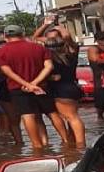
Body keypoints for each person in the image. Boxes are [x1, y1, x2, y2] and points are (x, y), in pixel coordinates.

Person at [0, 24, 70, 150]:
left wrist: (27, 84)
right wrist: (35, 83)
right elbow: (49, 67)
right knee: (52, 113)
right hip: (41, 86)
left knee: (28, 115)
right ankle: (66, 142)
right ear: (22, 34)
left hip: (18, 88)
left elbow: (7, 71)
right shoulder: (39, 47)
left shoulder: (0, 51)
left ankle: (37, 146)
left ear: (5, 36)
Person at [34, 17, 86, 148]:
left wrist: (47, 25)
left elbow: (35, 38)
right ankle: (74, 144)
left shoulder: (49, 57)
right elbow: (67, 37)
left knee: (72, 117)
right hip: (72, 86)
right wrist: (58, 26)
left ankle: (80, 145)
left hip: (61, 89)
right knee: (71, 117)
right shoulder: (71, 52)